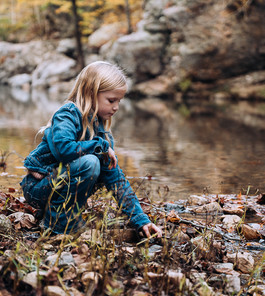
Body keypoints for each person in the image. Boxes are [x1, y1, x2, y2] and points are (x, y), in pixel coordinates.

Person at [20, 61, 162, 239]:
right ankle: (57, 225)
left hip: (58, 185)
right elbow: (64, 150)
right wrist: (100, 147)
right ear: (91, 93)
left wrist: (141, 220)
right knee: (90, 162)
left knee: (98, 165)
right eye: (111, 100)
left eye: (119, 101)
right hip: (38, 189)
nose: (116, 107)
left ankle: (68, 213)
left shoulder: (101, 132)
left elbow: (116, 180)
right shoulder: (67, 115)